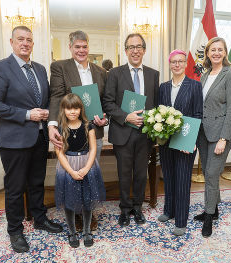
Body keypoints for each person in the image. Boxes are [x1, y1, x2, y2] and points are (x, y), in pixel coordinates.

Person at [0, 26, 62, 253]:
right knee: (15, 187)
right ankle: (15, 230)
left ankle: (39, 218)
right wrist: (28, 115)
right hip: (13, 140)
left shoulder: (39, 69)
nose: (25, 43)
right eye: (21, 39)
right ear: (12, 41)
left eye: (29, 40)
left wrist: (48, 115)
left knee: (37, 181)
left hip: (39, 136)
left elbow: (45, 99)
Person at [49, 30, 108, 230]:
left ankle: (88, 214)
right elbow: (57, 97)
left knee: (90, 175)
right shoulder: (60, 67)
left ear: (88, 47)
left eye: (84, 46)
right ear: (70, 47)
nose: (81, 50)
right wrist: (52, 125)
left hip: (93, 134)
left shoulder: (100, 72)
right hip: (69, 134)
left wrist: (104, 119)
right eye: (77, 47)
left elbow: (104, 102)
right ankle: (74, 214)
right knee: (72, 176)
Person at [103, 33, 159, 226]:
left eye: (138, 47)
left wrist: (152, 119)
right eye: (131, 47)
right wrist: (126, 116)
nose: (135, 50)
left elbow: (156, 104)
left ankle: (138, 208)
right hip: (123, 132)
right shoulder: (115, 74)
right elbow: (108, 103)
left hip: (145, 133)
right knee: (124, 173)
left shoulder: (153, 74)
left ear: (144, 50)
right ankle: (125, 209)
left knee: (141, 174)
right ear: (125, 51)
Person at [193, 37, 231, 238]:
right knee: (207, 171)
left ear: (225, 53)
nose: (216, 53)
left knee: (212, 174)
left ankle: (209, 215)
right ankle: (216, 207)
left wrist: (223, 138)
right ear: (208, 53)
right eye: (213, 49)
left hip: (222, 132)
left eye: (220, 49)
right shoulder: (205, 75)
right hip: (204, 132)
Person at [157, 49, 203, 236]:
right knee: (168, 176)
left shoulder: (194, 86)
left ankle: (181, 221)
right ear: (170, 64)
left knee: (183, 179)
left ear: (186, 64)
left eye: (180, 61)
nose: (177, 64)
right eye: (173, 62)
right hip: (166, 141)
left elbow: (198, 114)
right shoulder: (163, 87)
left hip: (186, 140)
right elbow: (159, 112)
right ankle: (169, 211)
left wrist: (192, 141)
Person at [54, 93, 106, 248]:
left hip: (87, 164)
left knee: (87, 199)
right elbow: (59, 153)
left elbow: (93, 148)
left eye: (76, 108)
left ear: (80, 109)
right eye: (69, 108)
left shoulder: (88, 126)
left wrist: (86, 168)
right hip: (68, 166)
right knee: (69, 200)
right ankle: (72, 232)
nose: (72, 111)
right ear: (63, 109)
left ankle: (87, 231)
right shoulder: (60, 128)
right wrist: (71, 171)